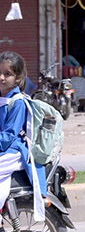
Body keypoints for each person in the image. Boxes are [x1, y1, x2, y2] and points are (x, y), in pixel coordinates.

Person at [0, 52, 47, 223]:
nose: (2, 77)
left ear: (18, 78)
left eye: (7, 74)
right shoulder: (2, 98)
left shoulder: (17, 102)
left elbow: (8, 137)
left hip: (13, 151)